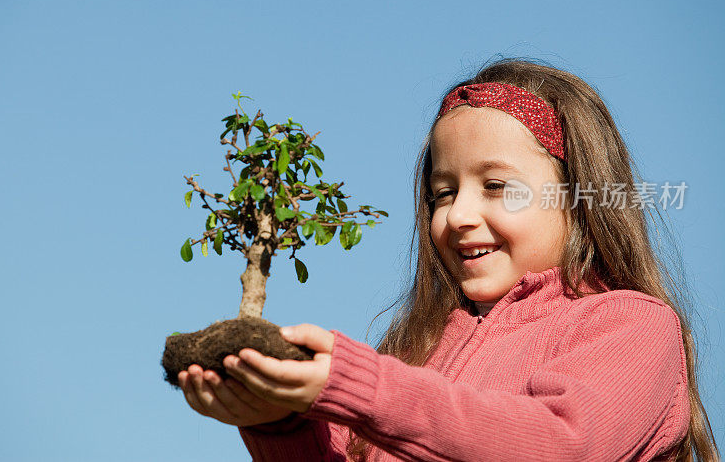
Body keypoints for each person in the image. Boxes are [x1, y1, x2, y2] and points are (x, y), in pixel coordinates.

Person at [177, 59, 720, 461]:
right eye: (442, 193)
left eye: (497, 186)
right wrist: (281, 423)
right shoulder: (418, 350)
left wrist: (361, 387)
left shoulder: (632, 327)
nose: (457, 215)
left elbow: (557, 446)